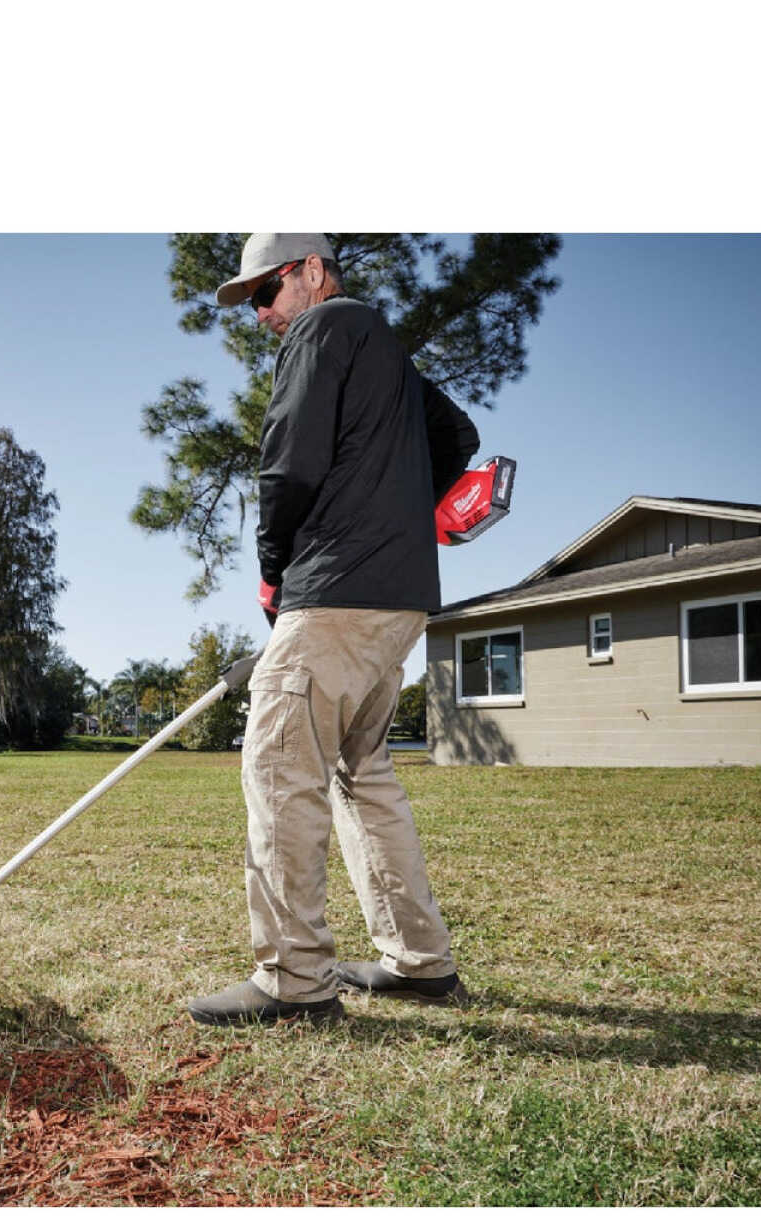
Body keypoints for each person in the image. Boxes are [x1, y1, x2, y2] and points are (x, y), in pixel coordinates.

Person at [186, 234, 478, 1027]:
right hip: (401, 597)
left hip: (336, 589)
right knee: (363, 771)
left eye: (265, 293)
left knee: (280, 765)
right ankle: (419, 962)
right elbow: (459, 440)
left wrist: (275, 569)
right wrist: (390, 510)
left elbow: (289, 462)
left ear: (311, 273)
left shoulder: (322, 329)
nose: (260, 314)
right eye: (250, 303)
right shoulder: (389, 353)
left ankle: (293, 980)